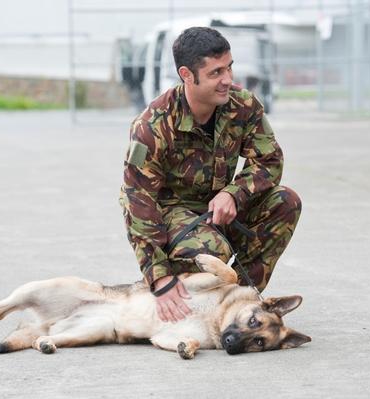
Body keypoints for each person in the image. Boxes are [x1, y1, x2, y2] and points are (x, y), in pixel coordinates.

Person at [119, 26, 301, 323]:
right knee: (211, 250)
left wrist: (234, 192)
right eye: (216, 73)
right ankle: (187, 301)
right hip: (174, 216)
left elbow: (270, 161)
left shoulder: (243, 106)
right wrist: (159, 277)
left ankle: (240, 302)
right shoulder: (153, 125)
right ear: (187, 75)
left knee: (285, 202)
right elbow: (137, 201)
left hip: (221, 209)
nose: (228, 80)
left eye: (229, 68)